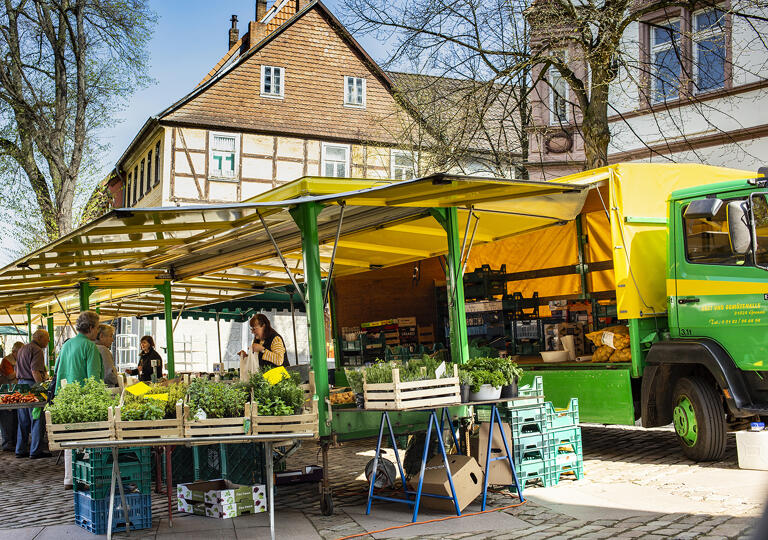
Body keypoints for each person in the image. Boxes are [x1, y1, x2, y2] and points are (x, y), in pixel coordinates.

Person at [55, 310, 103, 488]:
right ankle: (85, 478)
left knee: (71, 441)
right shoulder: (90, 347)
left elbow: (58, 372)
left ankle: (69, 478)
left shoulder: (67, 345)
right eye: (97, 328)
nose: (97, 331)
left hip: (66, 399)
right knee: (87, 441)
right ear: (90, 327)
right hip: (84, 401)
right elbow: (93, 379)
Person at [15, 329, 50, 459]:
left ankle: (20, 449)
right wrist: (41, 388)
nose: (48, 341)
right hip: (32, 386)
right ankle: (35, 450)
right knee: (37, 418)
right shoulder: (37, 350)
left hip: (21, 385)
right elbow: (35, 371)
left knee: (23, 420)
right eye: (47, 338)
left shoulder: (23, 348)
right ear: (40, 338)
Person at [238, 314, 288, 379]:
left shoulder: (275, 339)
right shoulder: (258, 340)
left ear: (264, 326)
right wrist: (246, 357)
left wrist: (262, 350)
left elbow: (279, 360)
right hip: (268, 379)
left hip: (279, 378)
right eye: (251, 329)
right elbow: (257, 360)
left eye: (254, 329)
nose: (252, 332)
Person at [0, 341, 23, 452]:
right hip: (6, 393)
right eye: (20, 352)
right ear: (14, 351)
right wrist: (20, 368)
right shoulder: (7, 360)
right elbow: (10, 376)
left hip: (14, 392)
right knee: (7, 419)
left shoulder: (16, 360)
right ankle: (7, 443)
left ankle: (13, 441)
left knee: (15, 418)